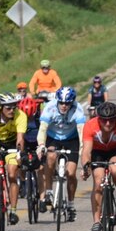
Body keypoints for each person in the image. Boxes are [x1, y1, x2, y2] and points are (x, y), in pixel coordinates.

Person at [81, 101, 116, 231]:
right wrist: (85, 167)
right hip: (98, 152)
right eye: (104, 120)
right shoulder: (90, 126)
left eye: (111, 120)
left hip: (115, 151)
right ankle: (96, 222)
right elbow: (86, 151)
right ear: (98, 119)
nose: (108, 124)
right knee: (98, 182)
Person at [39, 88, 85, 217]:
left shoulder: (78, 109)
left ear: (72, 103)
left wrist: (82, 148)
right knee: (51, 156)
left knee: (70, 174)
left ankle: (71, 204)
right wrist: (41, 145)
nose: (64, 106)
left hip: (71, 138)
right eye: (61, 103)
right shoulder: (50, 107)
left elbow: (81, 131)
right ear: (57, 101)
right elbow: (42, 129)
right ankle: (48, 191)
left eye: (67, 103)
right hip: (53, 137)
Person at [0, 92, 27, 213]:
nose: (12, 110)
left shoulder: (20, 115)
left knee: (12, 174)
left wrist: (19, 153)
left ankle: (13, 211)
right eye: (8, 108)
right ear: (1, 108)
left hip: (12, 144)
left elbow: (20, 138)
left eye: (14, 107)